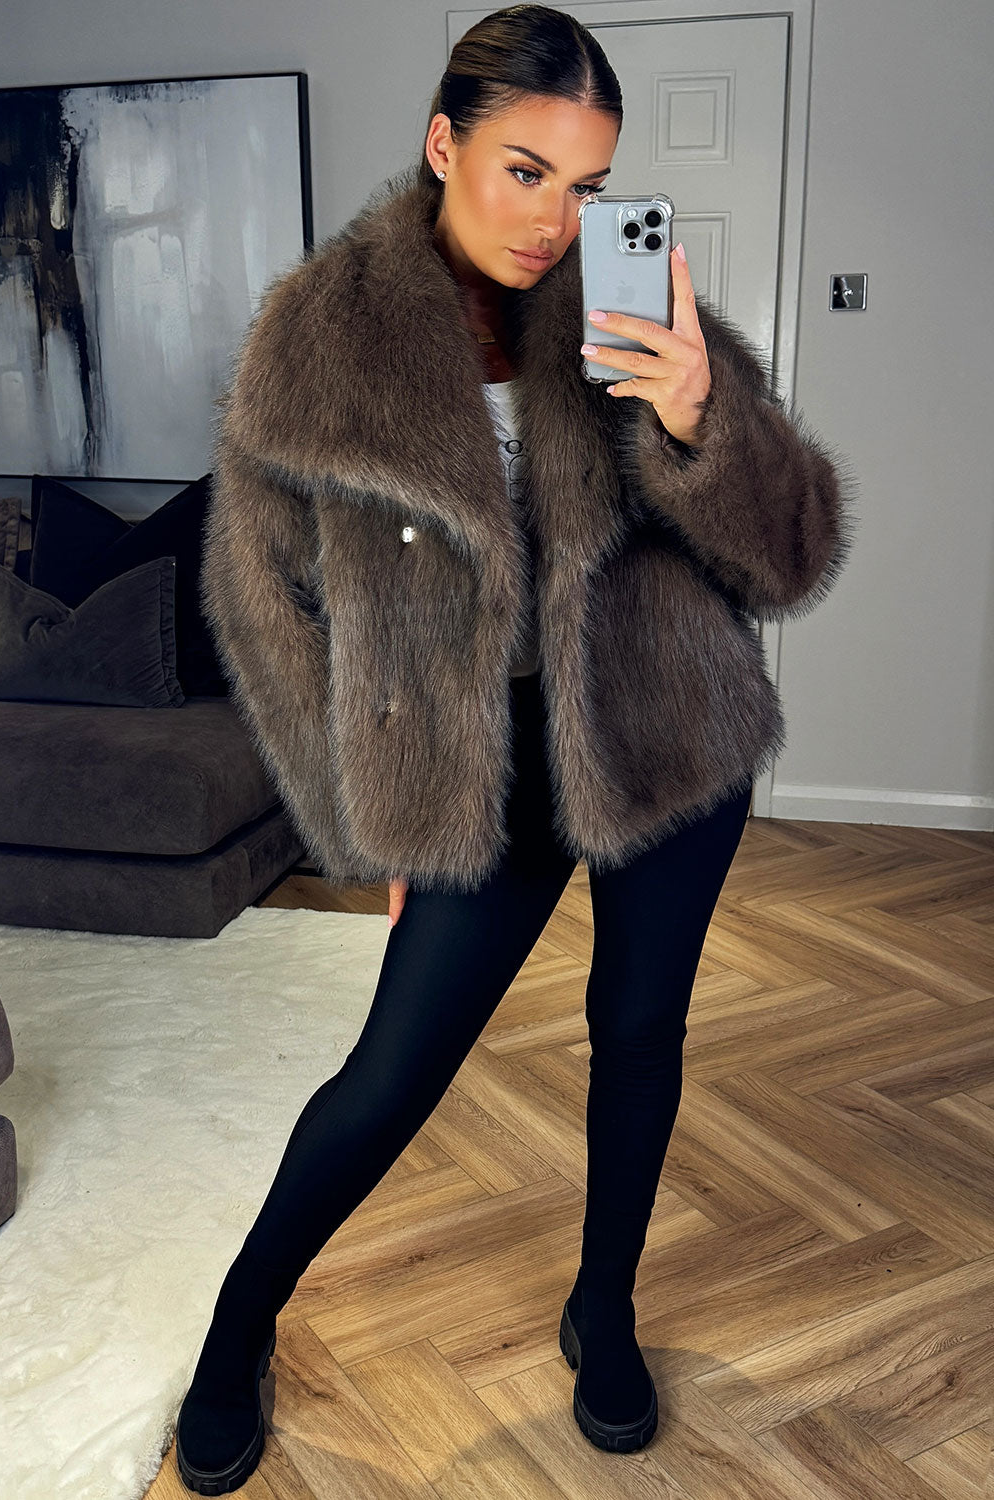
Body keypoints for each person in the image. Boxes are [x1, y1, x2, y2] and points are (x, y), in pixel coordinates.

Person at [175, 3, 855, 1489]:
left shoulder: (633, 315)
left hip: (668, 735)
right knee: (390, 1073)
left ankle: (604, 1307)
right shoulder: (317, 343)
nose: (556, 218)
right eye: (526, 170)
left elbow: (792, 554)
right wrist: (380, 821)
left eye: (588, 183)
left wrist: (700, 421)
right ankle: (237, 1326)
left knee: (641, 1030)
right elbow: (272, 618)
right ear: (445, 144)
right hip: (480, 770)